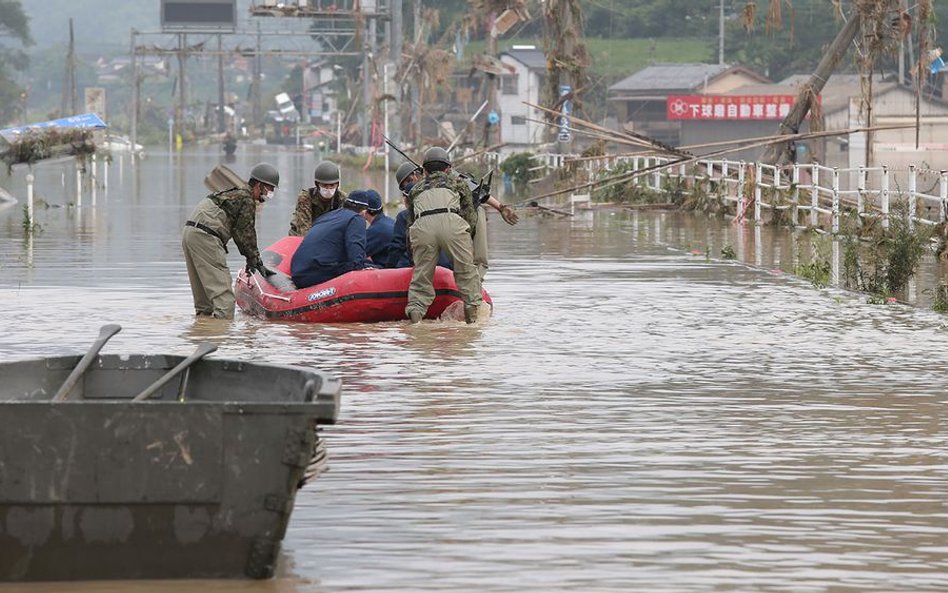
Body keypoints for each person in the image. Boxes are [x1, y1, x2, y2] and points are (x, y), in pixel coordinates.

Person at [182, 162, 279, 319]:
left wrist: (251, 260)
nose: (271, 193)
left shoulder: (234, 194)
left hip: (190, 233)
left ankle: (202, 334)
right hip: (206, 236)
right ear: (259, 185)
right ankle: (222, 336)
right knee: (225, 303)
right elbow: (245, 234)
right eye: (270, 188)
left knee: (205, 305)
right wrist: (256, 262)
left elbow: (239, 233)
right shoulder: (246, 199)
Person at [404, 147, 482, 324]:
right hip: (451, 222)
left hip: (422, 226)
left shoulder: (415, 189)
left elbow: (409, 224)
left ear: (424, 171)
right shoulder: (458, 183)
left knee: (421, 276)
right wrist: (465, 238)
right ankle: (473, 320)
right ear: (448, 168)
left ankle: (416, 318)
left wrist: (412, 251)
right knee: (466, 271)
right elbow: (470, 215)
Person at [291, 192, 373, 289]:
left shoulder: (327, 216)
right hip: (317, 274)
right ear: (364, 212)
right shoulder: (356, 219)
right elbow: (356, 258)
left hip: (297, 273)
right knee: (371, 267)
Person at [388, 162, 452, 270]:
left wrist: (387, 270)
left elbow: (397, 248)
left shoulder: (404, 216)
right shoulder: (444, 204)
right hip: (449, 265)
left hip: (426, 268)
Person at [288, 160, 347, 236]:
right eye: (325, 185)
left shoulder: (342, 198)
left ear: (337, 185)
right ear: (317, 184)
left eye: (332, 185)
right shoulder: (306, 197)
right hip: (303, 234)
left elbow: (342, 224)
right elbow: (304, 227)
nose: (328, 189)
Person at [363, 189, 395, 267]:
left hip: (388, 271)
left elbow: (356, 253)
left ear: (364, 211)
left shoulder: (376, 231)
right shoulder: (391, 221)